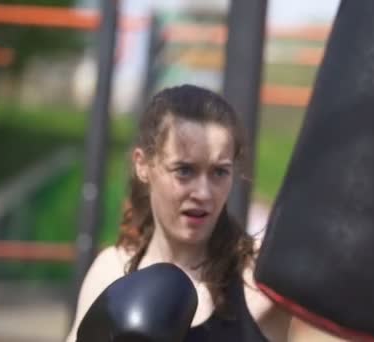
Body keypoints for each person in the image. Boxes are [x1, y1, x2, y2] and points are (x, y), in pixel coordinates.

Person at [65, 84, 292, 342]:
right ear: (142, 165)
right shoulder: (112, 270)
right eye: (184, 170)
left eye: (220, 172)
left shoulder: (259, 277)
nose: (204, 193)